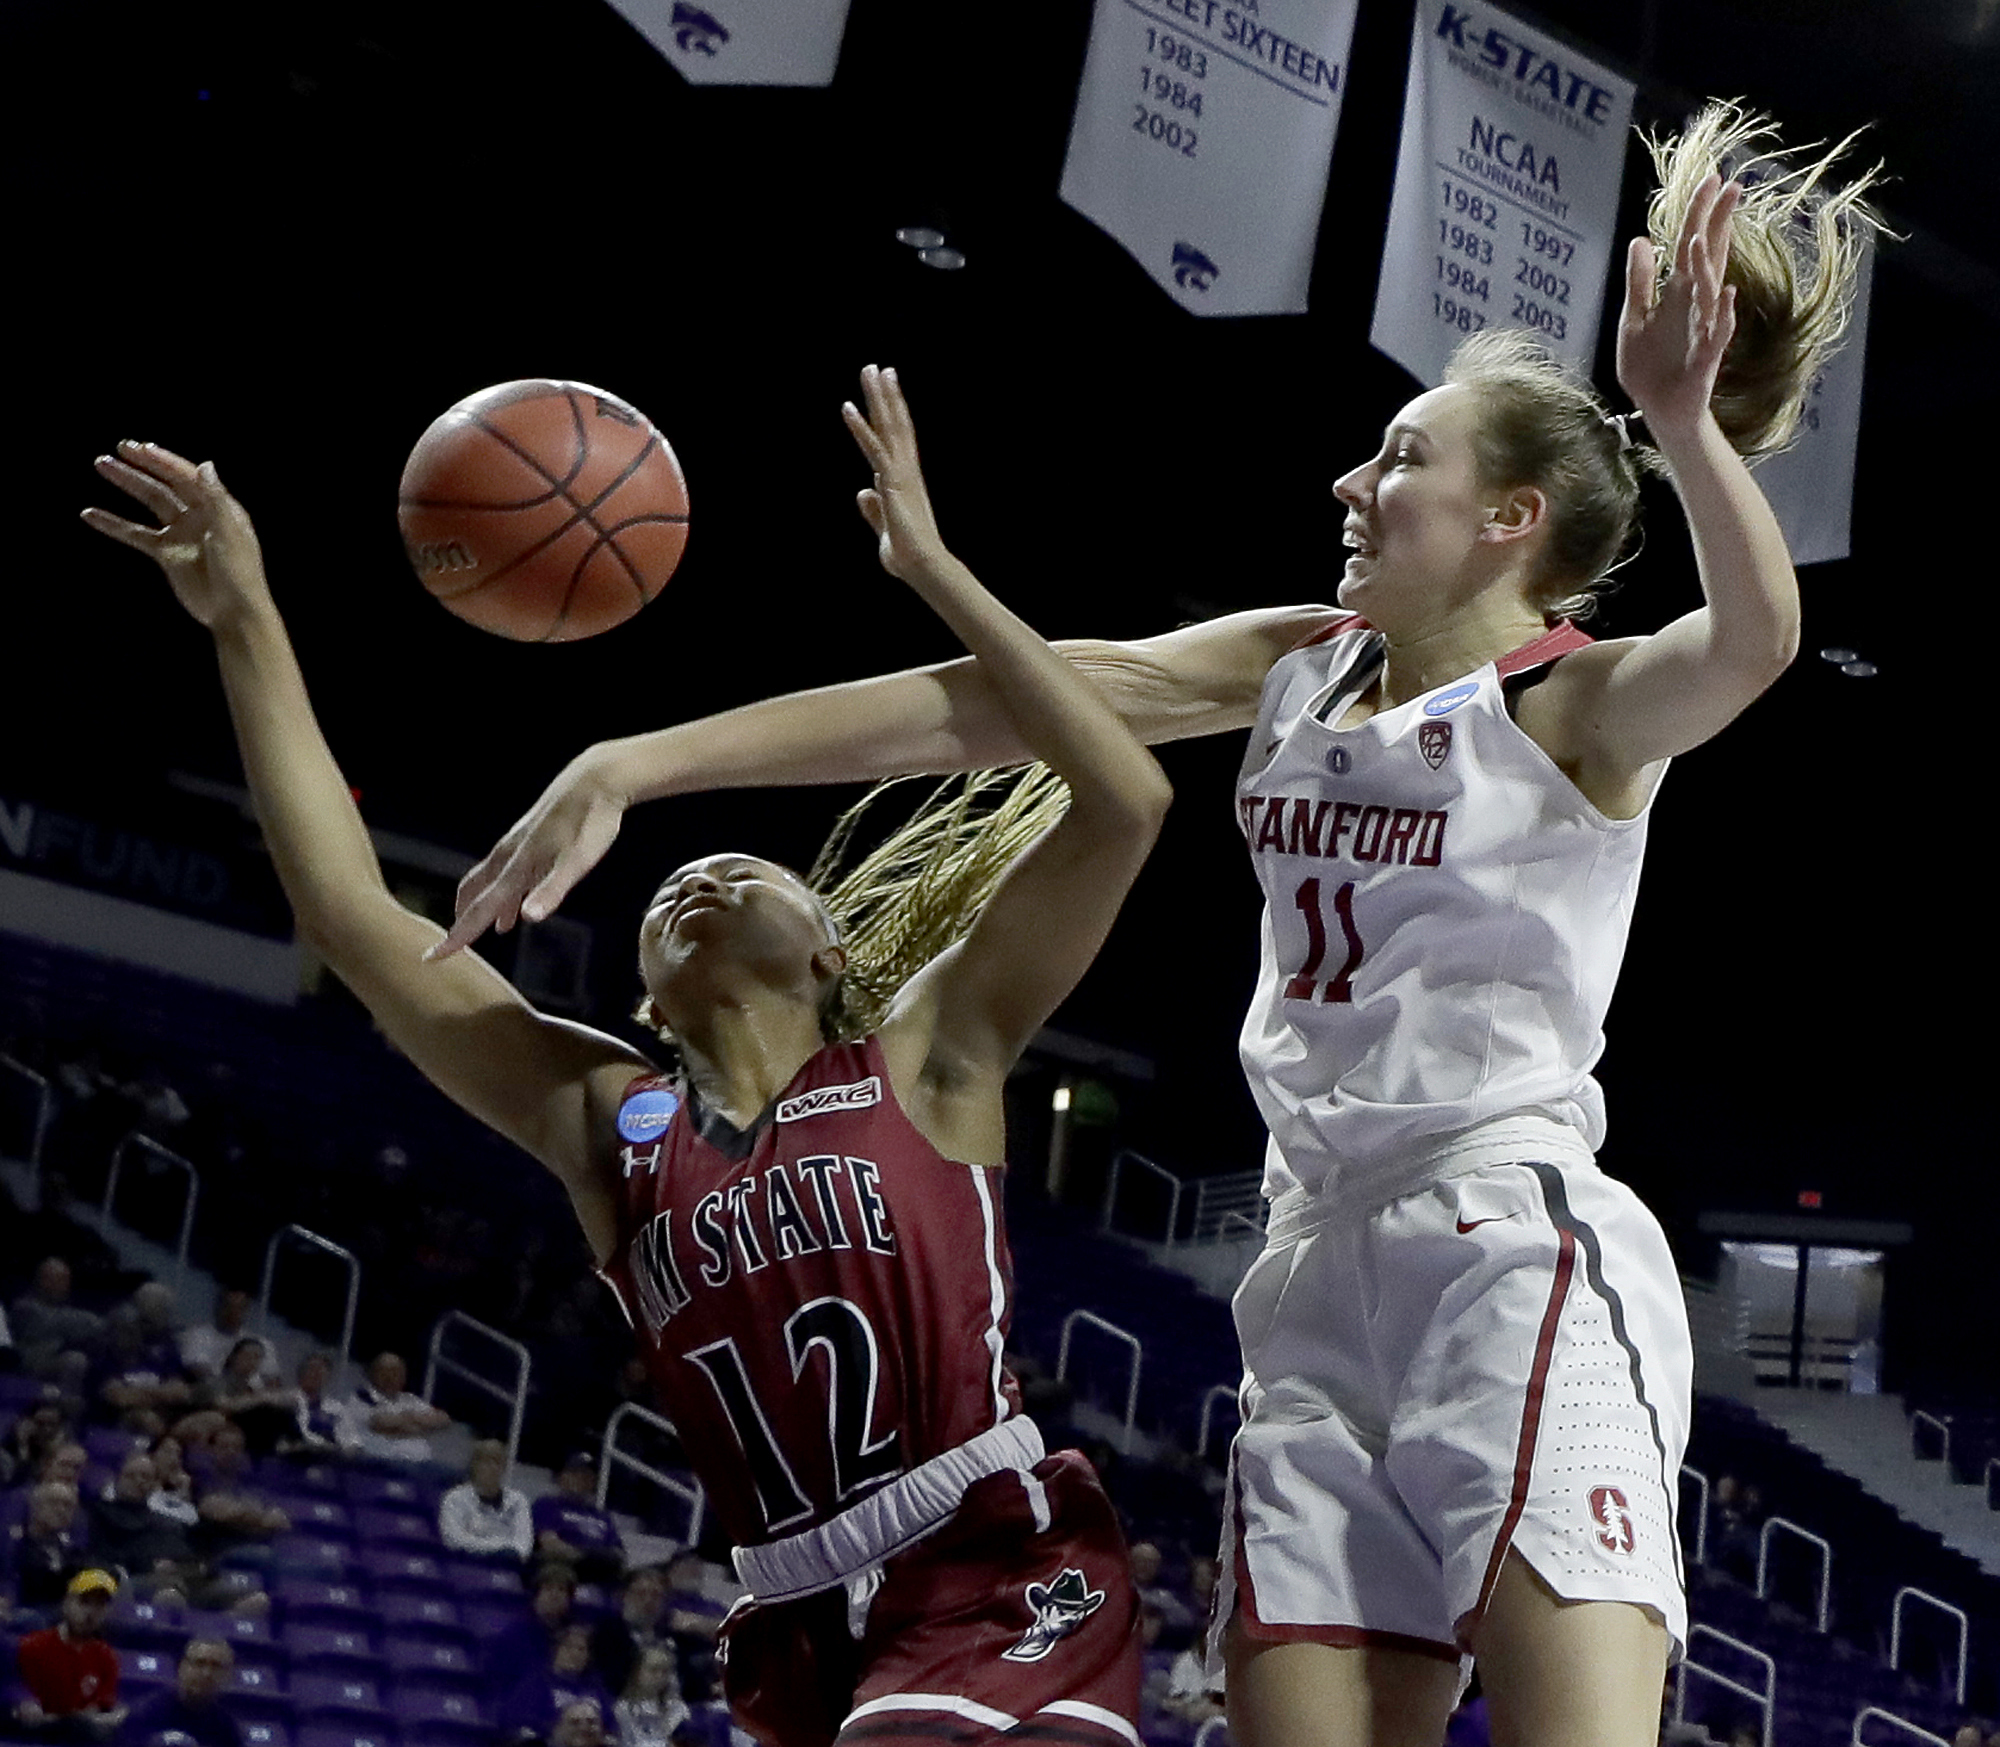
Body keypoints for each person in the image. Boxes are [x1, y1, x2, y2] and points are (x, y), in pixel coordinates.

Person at [431, 108, 1881, 1747]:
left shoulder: (1576, 709)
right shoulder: (1295, 664)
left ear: (1511, 522)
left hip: (1509, 1251)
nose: (1353, 476)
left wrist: (1688, 422)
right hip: (1310, 1271)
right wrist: (641, 758)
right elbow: (973, 707)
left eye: (1402, 455)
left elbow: (1755, 641)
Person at [81, 360, 1168, 1747]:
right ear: (648, 996)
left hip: (993, 1555)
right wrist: (245, 615)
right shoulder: (615, 1120)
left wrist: (936, 567)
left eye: (741, 864)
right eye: (669, 887)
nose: (697, 874)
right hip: (797, 1611)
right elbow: (354, 918)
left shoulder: (930, 1056)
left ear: (832, 949)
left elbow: (1126, 797)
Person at [11, 1568, 126, 1741]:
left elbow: (100, 1711)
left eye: (100, 1605)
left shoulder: (106, 1657)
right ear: (67, 1602)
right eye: (84, 1602)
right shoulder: (31, 1646)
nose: (90, 1613)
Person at [331, 1352, 450, 1464]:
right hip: (381, 1464)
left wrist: (407, 1419)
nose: (390, 1378)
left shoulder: (408, 1399)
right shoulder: (362, 1397)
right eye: (384, 1373)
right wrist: (420, 1427)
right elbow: (380, 1423)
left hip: (418, 1466)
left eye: (396, 1373)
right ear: (372, 1374)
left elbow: (443, 1419)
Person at [125, 1637, 244, 1747]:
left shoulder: (227, 1730)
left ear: (228, 1675)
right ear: (182, 1667)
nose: (206, 1673)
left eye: (216, 1666)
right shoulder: (146, 1713)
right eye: (199, 1663)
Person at [533, 1449, 625, 1583]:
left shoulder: (603, 1516)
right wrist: (586, 1557)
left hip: (601, 1572)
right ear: (561, 1477)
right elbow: (549, 1544)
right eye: (575, 1473)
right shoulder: (547, 1504)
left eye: (588, 1476)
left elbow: (619, 1554)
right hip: (563, 1570)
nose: (581, 1479)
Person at [438, 1438, 534, 1566]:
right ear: (474, 1465)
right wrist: (498, 1549)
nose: (493, 1468)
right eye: (487, 1462)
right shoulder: (455, 1498)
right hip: (467, 1562)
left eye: (498, 1463)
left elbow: (523, 1544)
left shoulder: (518, 1500)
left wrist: (506, 1553)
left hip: (506, 1564)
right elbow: (454, 1540)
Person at [614, 1645, 690, 1747]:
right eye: (653, 1670)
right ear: (638, 1672)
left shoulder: (678, 1709)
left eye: (665, 1671)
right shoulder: (623, 1709)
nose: (659, 1676)